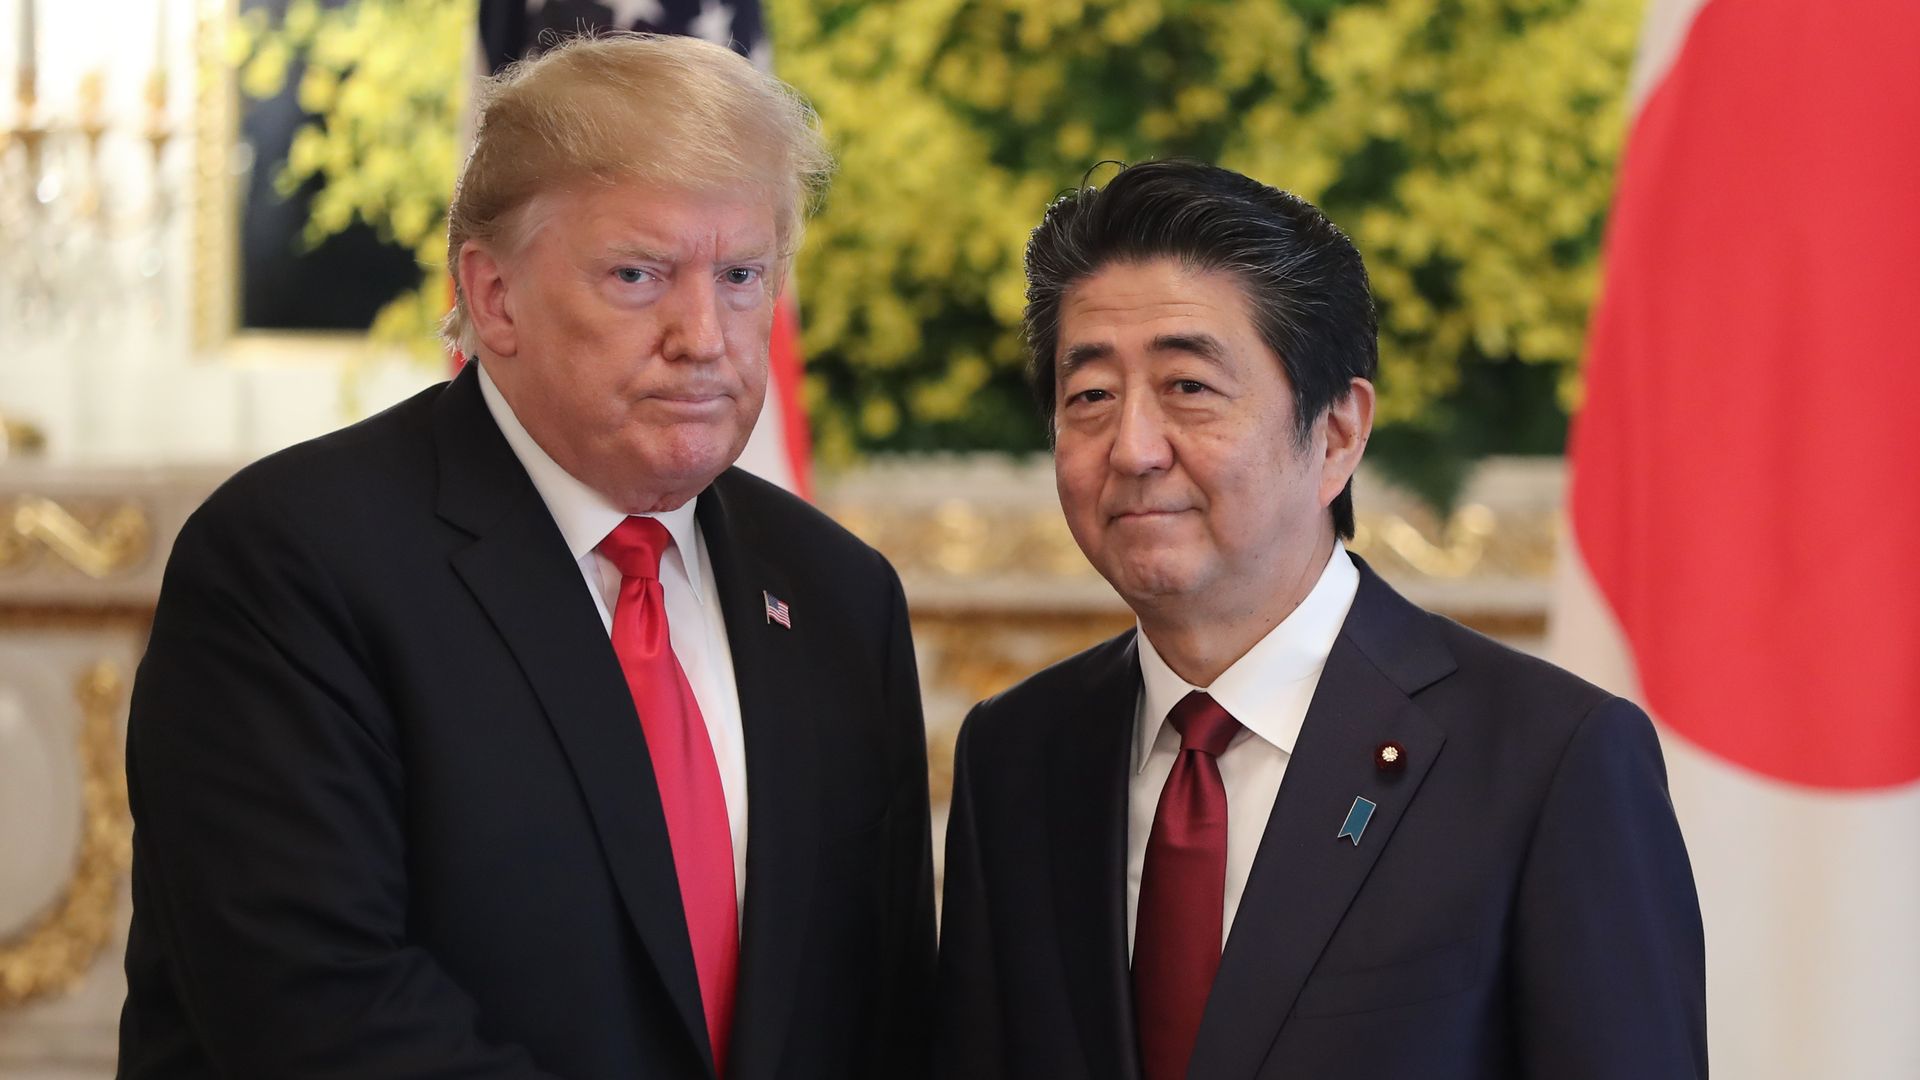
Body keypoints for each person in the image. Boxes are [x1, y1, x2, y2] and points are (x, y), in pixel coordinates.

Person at [118, 34, 933, 1079]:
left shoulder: (839, 596)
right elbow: (318, 1017)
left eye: (741, 276)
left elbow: (888, 1016)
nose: (705, 334)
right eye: (639, 275)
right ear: (493, 296)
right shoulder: (289, 563)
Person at [933, 160, 1705, 1080]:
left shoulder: (1549, 762)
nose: (1134, 449)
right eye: (1091, 396)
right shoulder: (1016, 753)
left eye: (1188, 386)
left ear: (1337, 432)